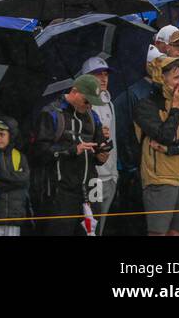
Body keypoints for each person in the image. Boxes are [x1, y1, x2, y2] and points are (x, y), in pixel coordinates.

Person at [29, 75, 109, 236]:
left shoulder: (92, 116)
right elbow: (37, 152)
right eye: (87, 101)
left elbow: (99, 145)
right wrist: (72, 150)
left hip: (91, 187)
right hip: (61, 191)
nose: (89, 106)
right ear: (75, 92)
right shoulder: (51, 113)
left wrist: (102, 155)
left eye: (92, 102)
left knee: (92, 232)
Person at [134, 56, 179, 237]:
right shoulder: (146, 106)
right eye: (175, 78)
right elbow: (164, 136)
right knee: (158, 232)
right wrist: (175, 107)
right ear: (160, 78)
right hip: (159, 180)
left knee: (176, 232)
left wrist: (172, 149)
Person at [78, 57, 119, 232]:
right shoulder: (82, 105)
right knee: (90, 228)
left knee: (101, 227)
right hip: (93, 177)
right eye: (97, 74)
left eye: (105, 74)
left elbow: (114, 140)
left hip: (110, 176)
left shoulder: (109, 102)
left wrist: (115, 173)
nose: (103, 78)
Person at [0, 119, 28, 236]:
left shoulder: (20, 156)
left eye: (2, 134)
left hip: (14, 217)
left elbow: (24, 181)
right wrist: (13, 181)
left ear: (11, 135)